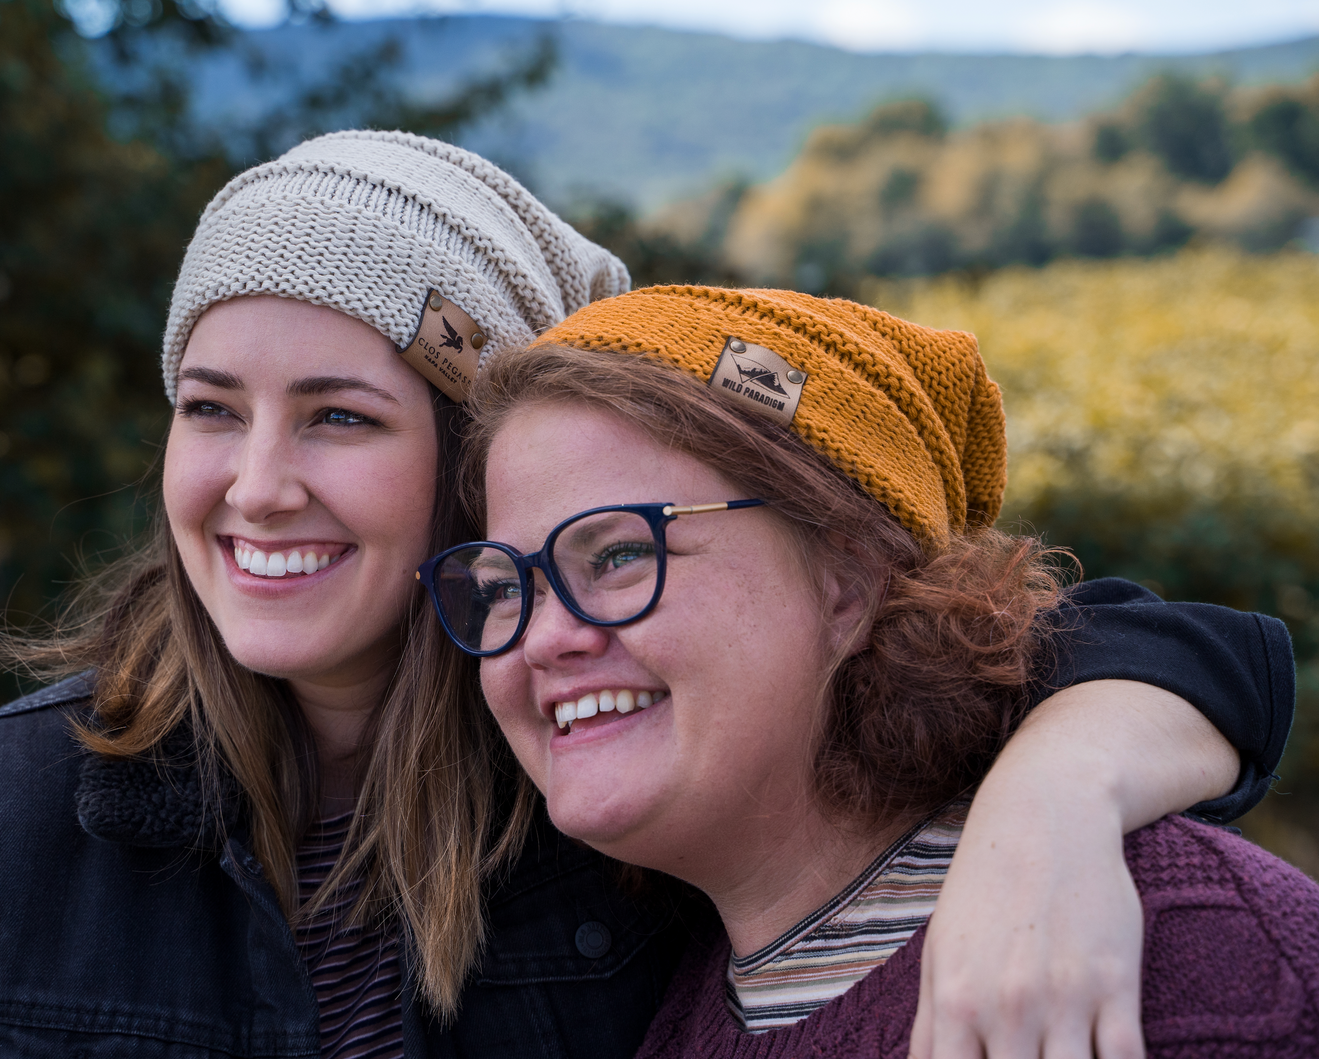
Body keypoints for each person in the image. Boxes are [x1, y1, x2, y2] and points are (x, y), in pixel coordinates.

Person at [0, 133, 1294, 1059]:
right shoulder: (14, 800)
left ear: (482, 473)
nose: (257, 484)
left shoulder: (608, 787)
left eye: (340, 415)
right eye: (210, 407)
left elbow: (1091, 643)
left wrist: (1054, 795)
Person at [429, 284, 1317, 1058]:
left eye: (620, 554)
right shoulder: (674, 1006)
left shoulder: (1196, 964)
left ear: (848, 584)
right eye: (505, 587)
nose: (543, 638)